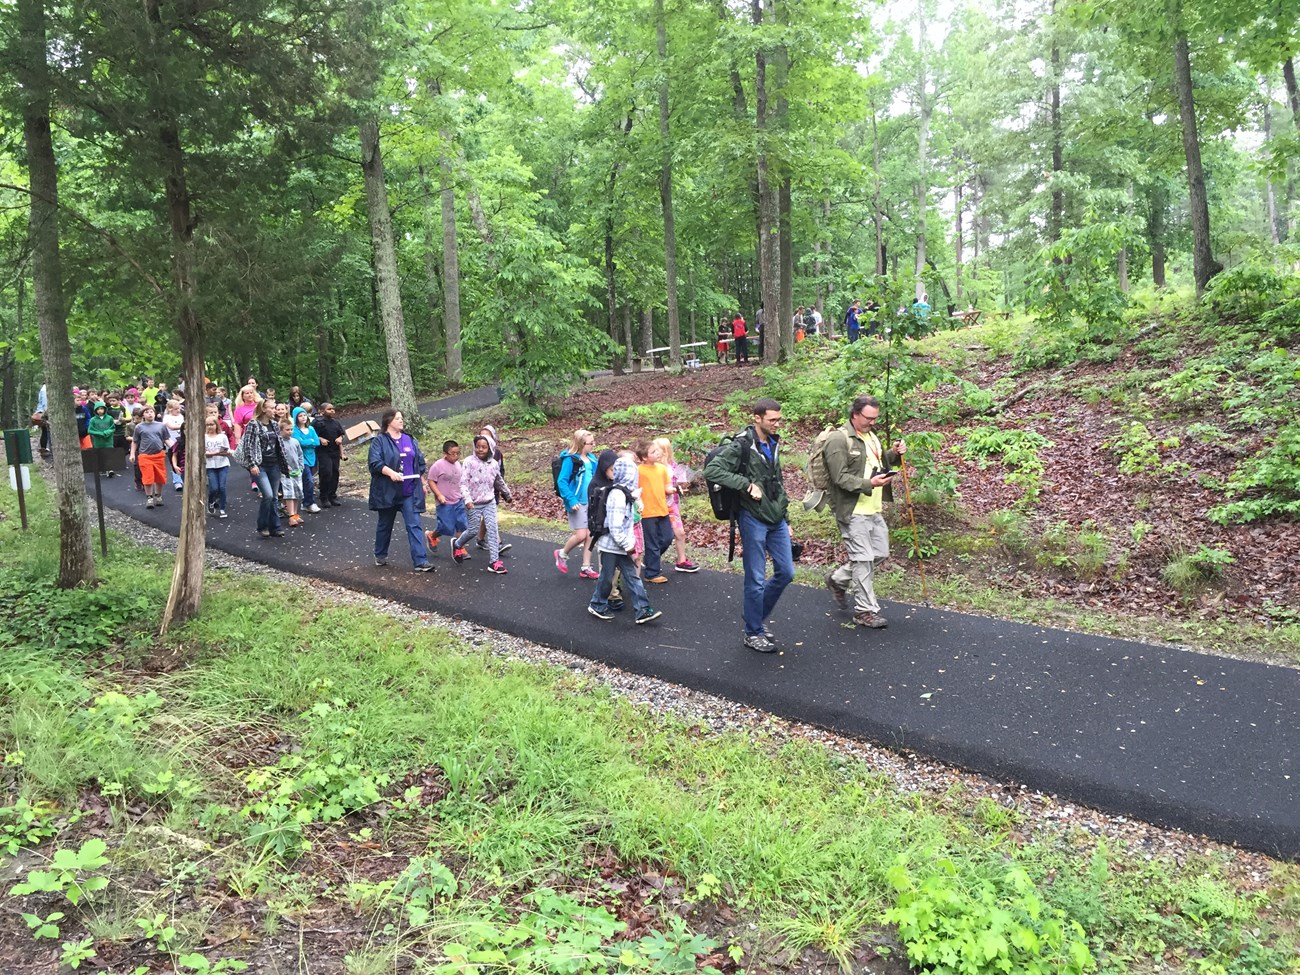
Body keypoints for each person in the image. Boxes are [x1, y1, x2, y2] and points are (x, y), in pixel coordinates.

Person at [702, 397, 794, 653]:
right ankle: (753, 631)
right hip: (752, 518)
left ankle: (754, 617)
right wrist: (745, 485)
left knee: (786, 572)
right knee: (755, 577)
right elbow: (712, 470)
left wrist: (786, 518)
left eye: (779, 419)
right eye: (772, 420)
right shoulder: (741, 445)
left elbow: (777, 482)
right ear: (757, 418)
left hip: (775, 518)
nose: (777, 424)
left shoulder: (773, 443)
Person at [823, 395, 906, 629]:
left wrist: (894, 453)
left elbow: (878, 465)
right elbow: (839, 478)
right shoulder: (839, 440)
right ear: (855, 414)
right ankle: (865, 611)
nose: (872, 422)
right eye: (868, 418)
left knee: (879, 553)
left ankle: (837, 579)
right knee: (863, 560)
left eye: (875, 418)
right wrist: (870, 484)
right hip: (853, 510)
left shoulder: (870, 436)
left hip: (873, 509)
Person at [587, 450, 661, 624]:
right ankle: (597, 604)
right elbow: (615, 526)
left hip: (620, 546)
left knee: (632, 577)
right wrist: (629, 547)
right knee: (606, 578)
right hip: (612, 546)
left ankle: (642, 610)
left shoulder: (624, 493)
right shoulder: (618, 496)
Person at [367, 409, 432, 571]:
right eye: (398, 418)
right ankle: (380, 554)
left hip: (409, 490)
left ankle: (421, 561)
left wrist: (423, 483)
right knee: (385, 524)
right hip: (388, 491)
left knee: (414, 524)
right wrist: (390, 473)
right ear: (389, 421)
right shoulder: (379, 441)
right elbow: (374, 463)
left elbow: (419, 463)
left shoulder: (410, 439)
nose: (401, 421)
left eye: (402, 418)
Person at [453, 435, 513, 573]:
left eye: (484, 447)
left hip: (489, 501)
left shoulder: (493, 464)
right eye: (478, 446)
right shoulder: (469, 462)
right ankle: (457, 544)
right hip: (473, 503)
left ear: (490, 448)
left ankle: (494, 562)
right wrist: (467, 499)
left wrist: (507, 494)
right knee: (473, 530)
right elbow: (463, 483)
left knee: (492, 529)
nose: (480, 449)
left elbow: (498, 480)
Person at [238, 399, 288, 538]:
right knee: (268, 495)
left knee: (274, 498)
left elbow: (279, 445)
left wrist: (284, 462)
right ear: (264, 409)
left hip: (274, 464)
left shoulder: (274, 424)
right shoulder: (253, 424)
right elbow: (248, 445)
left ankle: (275, 527)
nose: (275, 410)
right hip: (260, 465)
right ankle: (262, 525)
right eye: (272, 408)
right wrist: (252, 464)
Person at [554, 429, 598, 578]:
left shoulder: (592, 460)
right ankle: (562, 553)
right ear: (581, 443)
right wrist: (571, 499)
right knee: (581, 535)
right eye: (591, 443)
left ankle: (586, 566)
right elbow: (562, 481)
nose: (593, 445)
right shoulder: (570, 460)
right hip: (577, 502)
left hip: (591, 502)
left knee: (590, 535)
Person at [652, 437, 698, 572]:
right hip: (657, 505)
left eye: (656, 450)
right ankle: (651, 558)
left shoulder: (674, 467)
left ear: (665, 451)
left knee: (680, 533)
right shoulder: (653, 468)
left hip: (672, 505)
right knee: (659, 536)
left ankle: (681, 560)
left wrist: (683, 485)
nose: (654, 452)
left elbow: (679, 485)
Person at [635, 440, 673, 585]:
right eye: (653, 452)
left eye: (657, 450)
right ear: (644, 457)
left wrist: (675, 490)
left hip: (662, 509)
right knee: (652, 543)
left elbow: (667, 487)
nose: (658, 453)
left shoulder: (662, 469)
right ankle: (652, 573)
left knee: (667, 538)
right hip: (647, 512)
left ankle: (649, 561)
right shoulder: (639, 470)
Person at [425, 439, 467, 560]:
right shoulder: (438, 465)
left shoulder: (459, 464)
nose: (456, 456)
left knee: (462, 525)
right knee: (446, 527)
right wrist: (439, 495)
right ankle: (432, 536)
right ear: (445, 453)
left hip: (458, 499)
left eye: (458, 453)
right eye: (453, 453)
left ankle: (459, 547)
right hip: (444, 501)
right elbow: (431, 480)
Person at [475, 425, 511, 554]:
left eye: (487, 436)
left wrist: (503, 490)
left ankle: (480, 538)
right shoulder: (475, 456)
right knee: (490, 516)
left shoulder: (497, 454)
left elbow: (500, 472)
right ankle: (498, 543)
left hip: (493, 489)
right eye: (482, 436)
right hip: (479, 491)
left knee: (489, 515)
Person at [131, 406, 169, 509]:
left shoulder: (161, 426)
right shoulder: (139, 427)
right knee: (148, 477)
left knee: (160, 477)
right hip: (145, 455)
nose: (149, 414)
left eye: (151, 412)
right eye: (147, 412)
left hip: (159, 454)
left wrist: (175, 449)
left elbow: (166, 439)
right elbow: (135, 441)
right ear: (143, 415)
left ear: (155, 413)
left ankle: (158, 495)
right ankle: (149, 497)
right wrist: (132, 454)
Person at [312, 402, 346, 507]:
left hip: (334, 451)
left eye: (333, 409)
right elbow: (311, 435)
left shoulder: (336, 422)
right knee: (326, 472)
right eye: (329, 409)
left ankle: (332, 495)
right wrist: (320, 439)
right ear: (322, 411)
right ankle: (324, 496)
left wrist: (340, 438)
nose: (332, 411)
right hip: (323, 451)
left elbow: (342, 434)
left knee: (335, 472)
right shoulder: (317, 423)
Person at [292, 407, 321, 513]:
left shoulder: (311, 429)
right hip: (301, 459)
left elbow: (317, 442)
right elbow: (299, 443)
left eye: (304, 415)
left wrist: (308, 441)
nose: (303, 417)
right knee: (309, 480)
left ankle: (306, 501)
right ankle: (309, 503)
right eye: (300, 416)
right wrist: (310, 441)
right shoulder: (295, 430)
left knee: (308, 480)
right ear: (296, 418)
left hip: (312, 457)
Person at [204, 416, 230, 518]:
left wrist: (217, 452)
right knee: (214, 487)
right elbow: (204, 453)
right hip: (210, 465)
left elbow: (226, 452)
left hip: (222, 464)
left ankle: (222, 508)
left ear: (216, 425)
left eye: (212, 424)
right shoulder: (204, 437)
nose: (210, 427)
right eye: (207, 425)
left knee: (222, 487)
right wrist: (216, 452)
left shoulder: (222, 436)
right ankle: (210, 501)